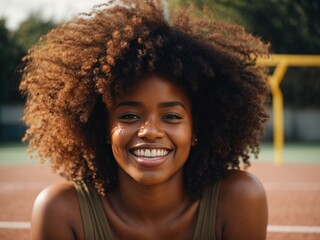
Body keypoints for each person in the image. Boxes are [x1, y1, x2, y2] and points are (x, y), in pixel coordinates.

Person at [20, 1, 269, 239]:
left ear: (196, 130)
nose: (150, 131)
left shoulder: (238, 199)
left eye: (171, 116)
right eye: (129, 116)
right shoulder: (61, 212)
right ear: (103, 129)